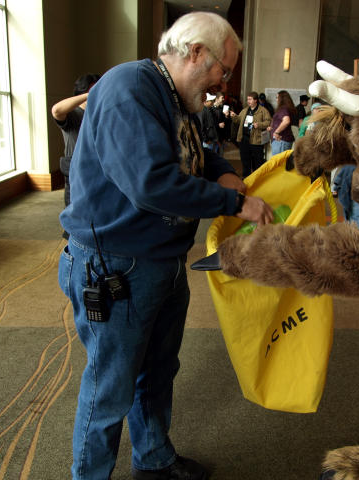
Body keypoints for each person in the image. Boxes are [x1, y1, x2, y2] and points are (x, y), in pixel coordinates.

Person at [57, 12, 274, 480]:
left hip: (160, 261)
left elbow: (193, 152)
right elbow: (151, 183)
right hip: (114, 264)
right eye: (223, 69)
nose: (223, 83)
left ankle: (153, 460)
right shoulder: (128, 88)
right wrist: (234, 201)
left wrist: (220, 171)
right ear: (196, 53)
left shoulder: (176, 100)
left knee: (157, 371)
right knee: (109, 388)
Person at [51, 73, 101, 207]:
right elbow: (56, 110)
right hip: (76, 167)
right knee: (75, 210)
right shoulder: (72, 114)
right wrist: (89, 95)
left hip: (97, 167)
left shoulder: (100, 113)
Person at [230, 91, 271, 177]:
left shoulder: (263, 111)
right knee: (245, 161)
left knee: (257, 162)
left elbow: (268, 122)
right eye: (247, 99)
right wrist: (233, 116)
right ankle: (246, 179)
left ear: (255, 100)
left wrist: (259, 124)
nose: (248, 101)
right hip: (244, 139)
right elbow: (238, 121)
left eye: (250, 99)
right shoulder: (245, 110)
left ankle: (257, 180)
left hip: (256, 140)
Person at [331, 164, 359, 229]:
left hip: (355, 193)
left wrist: (334, 188)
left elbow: (337, 177)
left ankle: (357, 236)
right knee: (357, 219)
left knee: (355, 220)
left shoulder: (348, 165)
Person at [268, 90, 297, 156]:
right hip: (283, 140)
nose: (276, 99)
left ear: (282, 99)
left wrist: (276, 132)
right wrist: (272, 128)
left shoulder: (283, 108)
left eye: (277, 97)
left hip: (281, 140)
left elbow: (286, 121)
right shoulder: (287, 108)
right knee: (282, 164)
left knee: (279, 164)